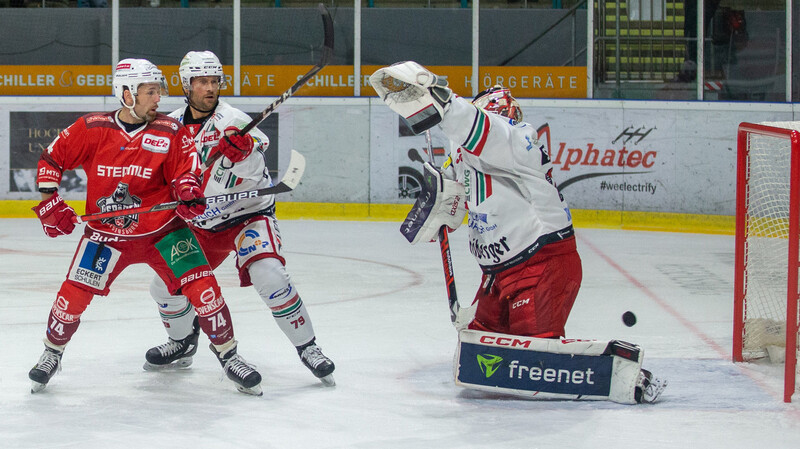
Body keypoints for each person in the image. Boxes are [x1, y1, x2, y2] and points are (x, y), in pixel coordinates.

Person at [370, 61, 666, 404]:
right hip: (497, 277)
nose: (509, 119)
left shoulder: (518, 140)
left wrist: (442, 100)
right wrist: (443, 207)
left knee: (534, 364)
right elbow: (455, 196)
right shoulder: (465, 153)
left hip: (542, 267)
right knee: (478, 362)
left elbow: (478, 127)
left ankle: (623, 374)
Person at [28, 58, 263, 396]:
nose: (158, 99)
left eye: (159, 91)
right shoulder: (92, 128)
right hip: (107, 237)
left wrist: (187, 192)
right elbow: (51, 159)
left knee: (205, 290)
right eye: (150, 91)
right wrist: (49, 199)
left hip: (165, 232)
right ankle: (52, 352)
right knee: (71, 298)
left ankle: (229, 356)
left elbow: (186, 172)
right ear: (126, 94)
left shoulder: (170, 130)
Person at [141, 51, 335, 386]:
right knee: (163, 286)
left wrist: (243, 155)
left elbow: (255, 174)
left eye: (215, 81)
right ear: (187, 85)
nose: (210, 88)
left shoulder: (235, 123)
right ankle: (183, 343)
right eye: (202, 82)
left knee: (270, 275)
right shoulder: (169, 127)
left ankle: (308, 347)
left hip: (247, 216)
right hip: (201, 226)